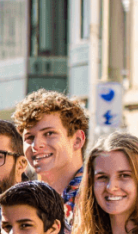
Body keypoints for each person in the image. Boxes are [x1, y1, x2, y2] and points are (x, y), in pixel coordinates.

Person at [11, 89, 89, 220]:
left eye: (49, 133)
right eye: (29, 137)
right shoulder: (20, 202)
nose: (36, 145)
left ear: (77, 140)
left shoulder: (100, 196)